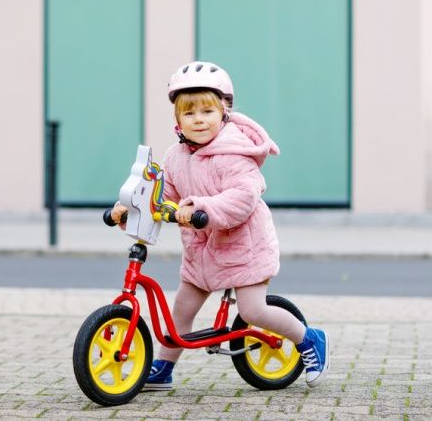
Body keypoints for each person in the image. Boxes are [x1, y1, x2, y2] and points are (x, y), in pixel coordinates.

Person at [110, 61, 329, 390]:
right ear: (177, 120)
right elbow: (163, 192)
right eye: (189, 113)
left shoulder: (235, 155)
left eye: (207, 111)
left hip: (245, 247)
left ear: (224, 111)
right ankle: (164, 367)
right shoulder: (176, 156)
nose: (198, 119)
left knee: (253, 310)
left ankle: (308, 338)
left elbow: (243, 198)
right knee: (181, 310)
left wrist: (201, 207)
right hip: (203, 250)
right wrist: (130, 207)